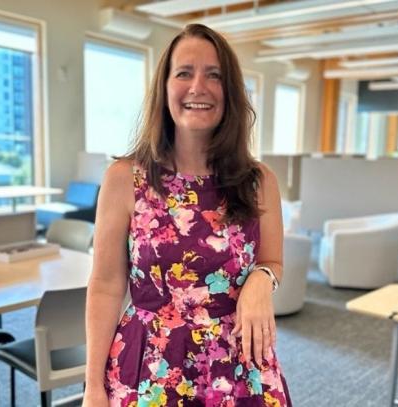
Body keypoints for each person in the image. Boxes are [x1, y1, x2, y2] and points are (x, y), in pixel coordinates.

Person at [85, 23, 291, 406]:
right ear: (164, 89)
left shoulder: (259, 181)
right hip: (149, 367)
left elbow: (273, 261)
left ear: (229, 93)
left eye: (214, 75)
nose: (198, 87)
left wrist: (262, 280)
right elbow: (106, 285)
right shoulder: (125, 180)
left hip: (239, 368)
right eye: (184, 73)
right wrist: (93, 387)